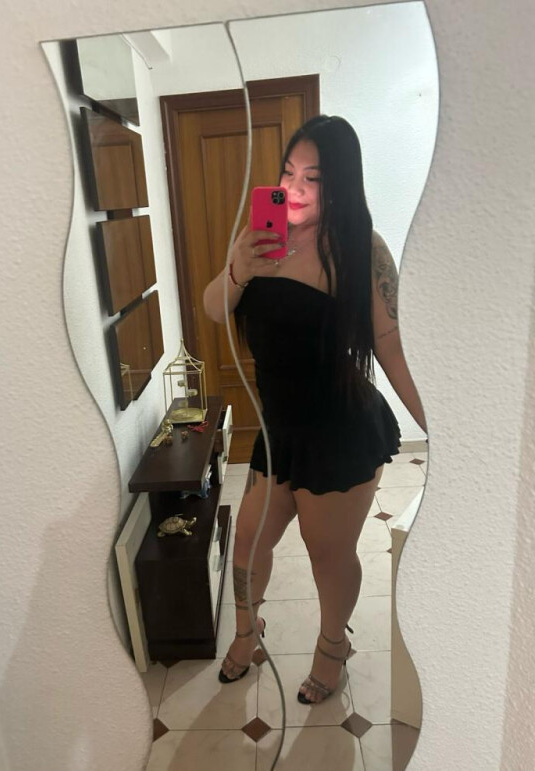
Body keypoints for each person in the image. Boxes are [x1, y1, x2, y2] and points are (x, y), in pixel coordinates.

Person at [202, 115, 427, 705]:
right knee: (248, 543)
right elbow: (213, 308)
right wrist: (239, 268)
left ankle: (333, 648)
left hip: (338, 431)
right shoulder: (261, 235)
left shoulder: (362, 250)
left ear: (341, 183)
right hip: (279, 430)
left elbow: (391, 345)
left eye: (314, 178)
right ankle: (248, 633)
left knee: (327, 554)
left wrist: (440, 426)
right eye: (288, 172)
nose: (295, 188)